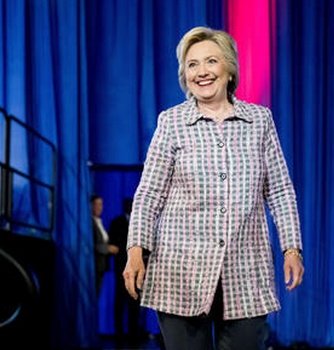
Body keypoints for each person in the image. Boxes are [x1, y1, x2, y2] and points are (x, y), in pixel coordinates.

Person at [122, 26, 304, 350]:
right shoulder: (172, 122)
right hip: (178, 272)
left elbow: (279, 190)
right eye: (192, 65)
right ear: (184, 74)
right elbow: (149, 193)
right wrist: (136, 250)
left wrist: (292, 248)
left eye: (211, 62)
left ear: (229, 68)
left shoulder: (259, 121)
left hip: (246, 271)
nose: (202, 72)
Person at [108, 197, 144, 342]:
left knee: (135, 301)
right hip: (120, 267)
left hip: (137, 268)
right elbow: (113, 245)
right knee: (119, 301)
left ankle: (134, 333)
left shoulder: (140, 224)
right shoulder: (116, 222)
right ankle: (119, 334)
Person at [91, 194, 119, 297]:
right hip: (93, 265)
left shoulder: (99, 221)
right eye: (96, 204)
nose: (99, 207)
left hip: (101, 266)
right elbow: (90, 244)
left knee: (96, 295)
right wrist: (108, 248)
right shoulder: (89, 222)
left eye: (101, 204)